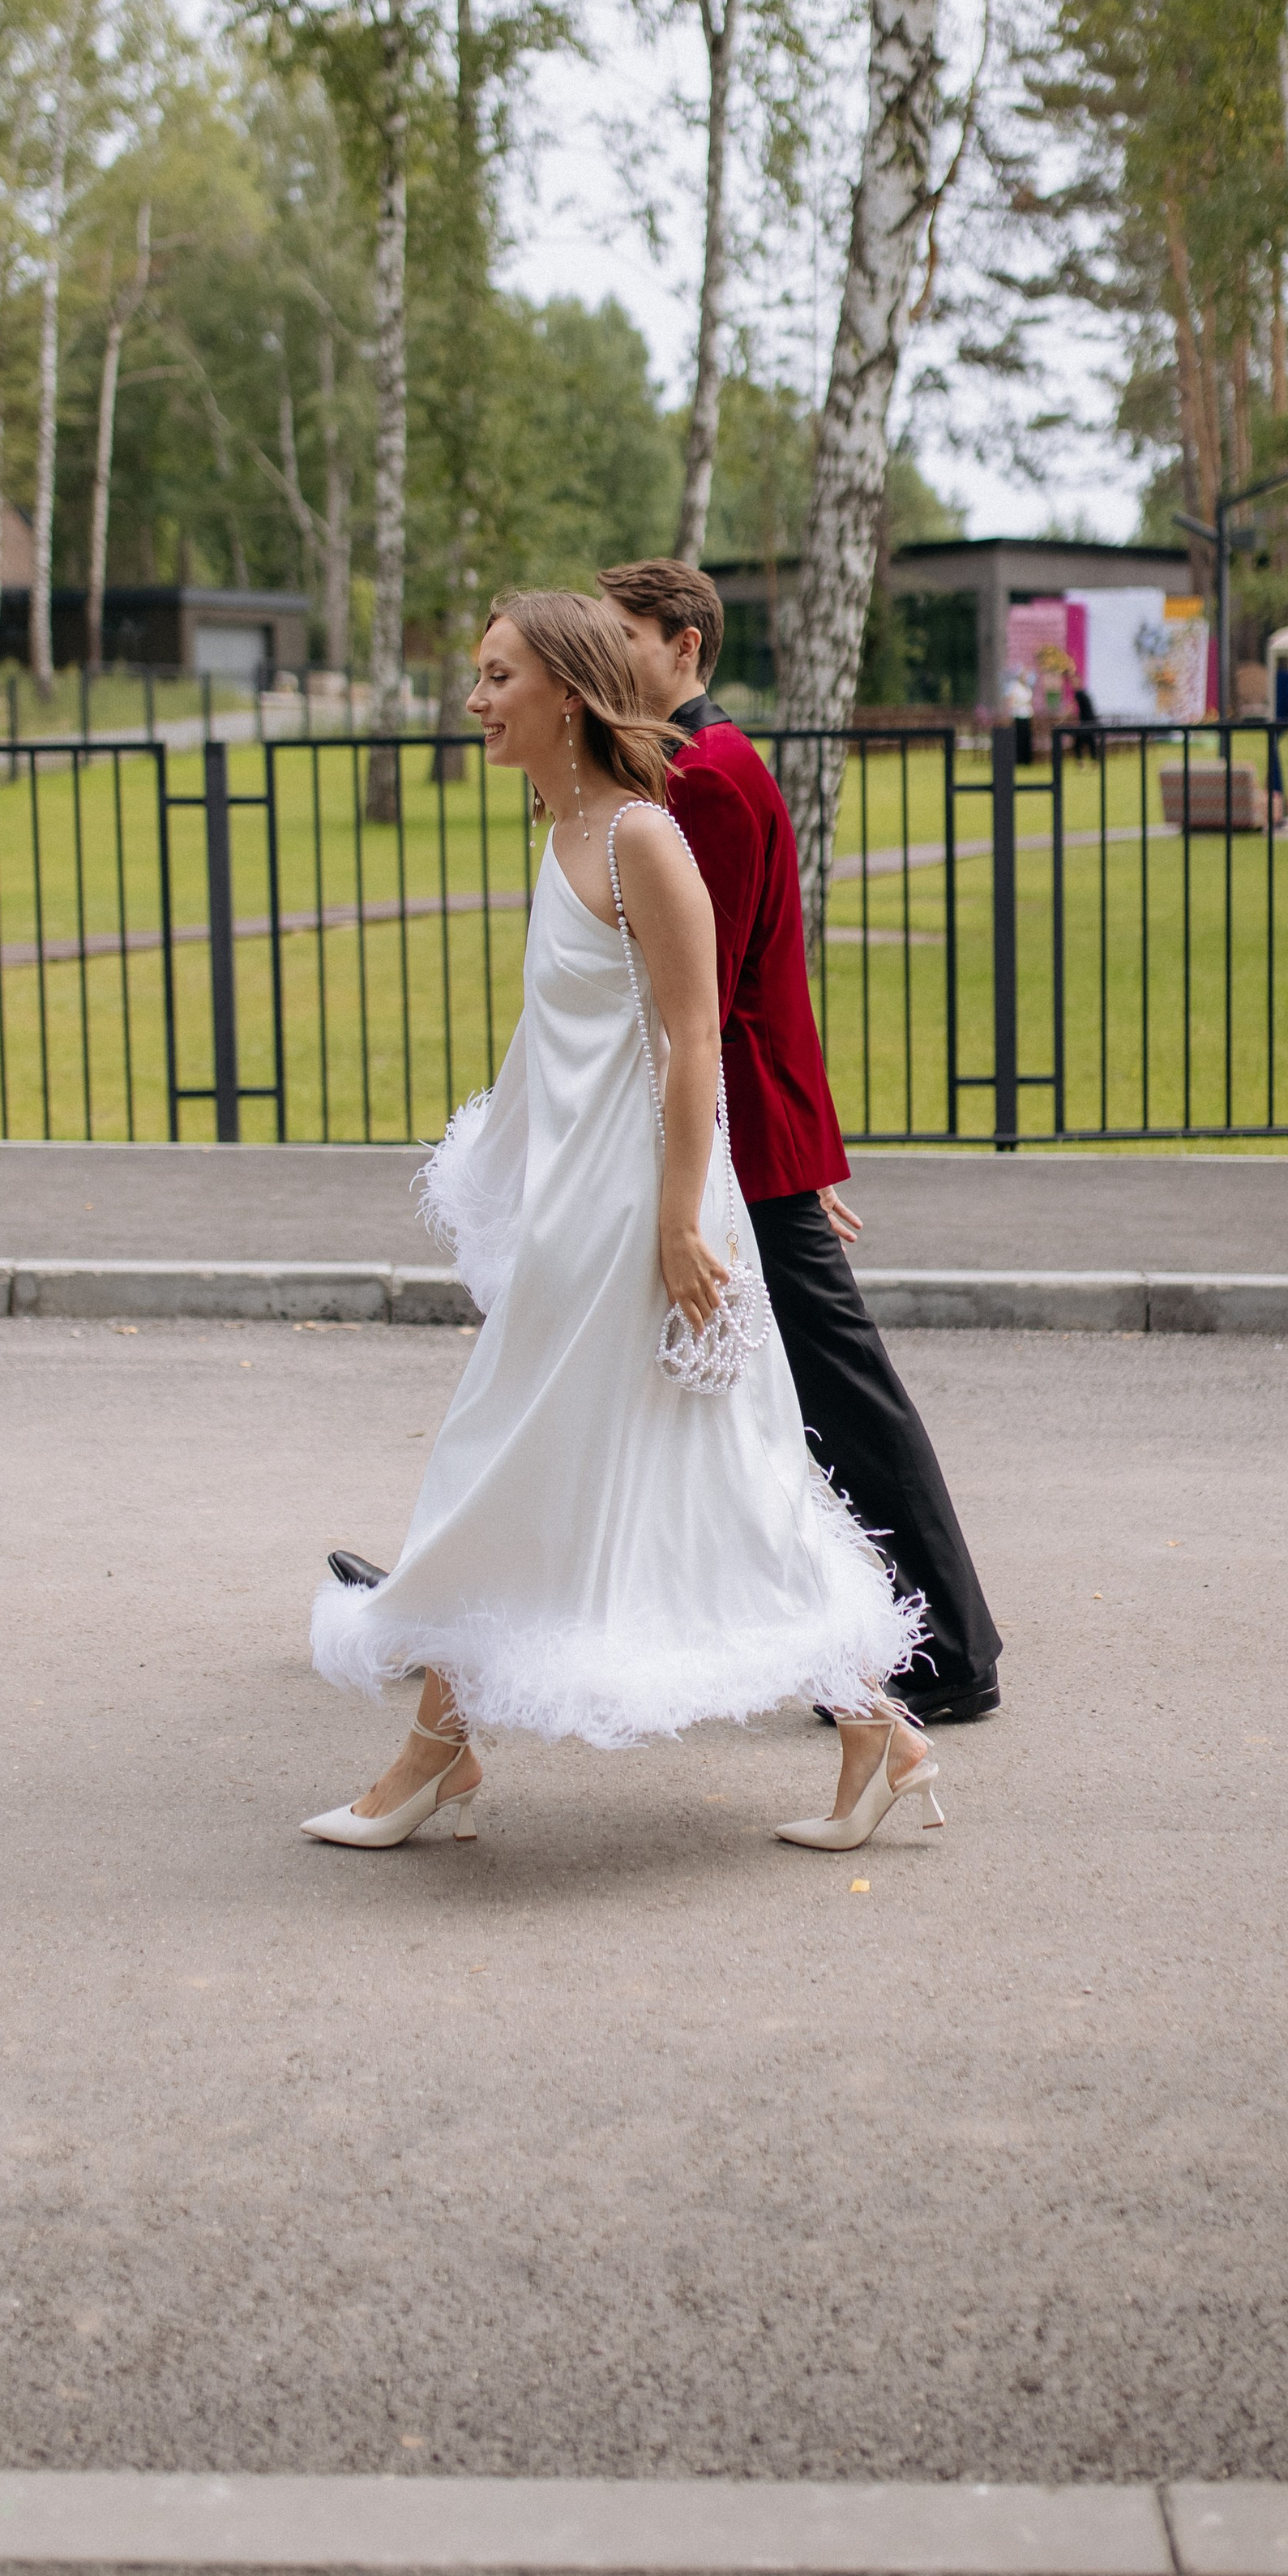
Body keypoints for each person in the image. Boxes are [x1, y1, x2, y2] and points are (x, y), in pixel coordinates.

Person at [306, 590, 941, 1857]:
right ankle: (877, 1740)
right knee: (573, 1471)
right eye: (477, 677)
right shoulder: (564, 827)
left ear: (570, 695)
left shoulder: (640, 836)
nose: (477, 702)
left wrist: (676, 1226)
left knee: (629, 1476)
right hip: (580, 1220)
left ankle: (442, 1756)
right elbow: (567, 1045)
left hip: (643, 1228)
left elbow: (695, 1033)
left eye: (498, 678)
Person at [597, 557, 1003, 1724]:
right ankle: (489, 1595)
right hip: (746, 1131)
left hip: (741, 1133)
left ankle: (953, 1653)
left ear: (684, 644)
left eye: (622, 634)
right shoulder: (691, 769)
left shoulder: (711, 779)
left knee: (843, 1397)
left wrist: (776, 1167)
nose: (603, 654)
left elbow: (708, 1000)